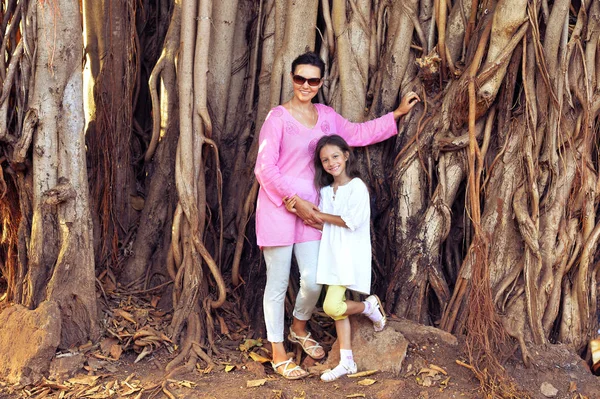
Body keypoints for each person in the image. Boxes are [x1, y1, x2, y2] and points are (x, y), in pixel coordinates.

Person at [254, 51, 420, 380]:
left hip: (315, 213)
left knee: (315, 280)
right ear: (292, 79)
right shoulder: (277, 118)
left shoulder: (327, 117)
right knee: (276, 285)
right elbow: (264, 167)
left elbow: (356, 135)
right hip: (278, 208)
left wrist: (397, 115)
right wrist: (293, 199)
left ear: (320, 83)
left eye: (312, 80)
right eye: (299, 78)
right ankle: (278, 353)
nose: (305, 85)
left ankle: (299, 326)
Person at [284, 134, 386, 382]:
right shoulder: (326, 191)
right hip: (331, 256)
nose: (331, 163)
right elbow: (324, 226)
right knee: (337, 310)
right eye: (325, 160)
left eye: (335, 156)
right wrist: (298, 210)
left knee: (332, 306)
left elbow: (350, 222)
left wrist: (315, 211)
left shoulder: (357, 187)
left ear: (346, 155)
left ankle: (368, 306)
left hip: (348, 256)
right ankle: (347, 362)